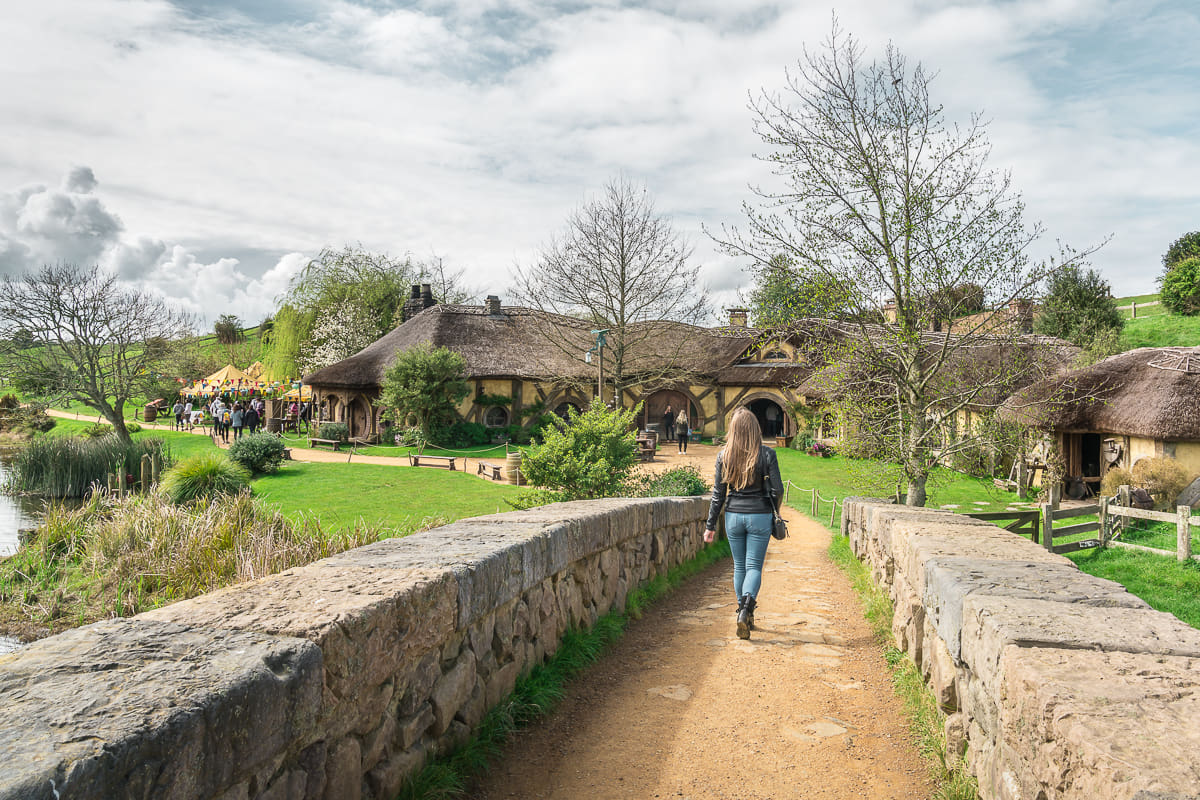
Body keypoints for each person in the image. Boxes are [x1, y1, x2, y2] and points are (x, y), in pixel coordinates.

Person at [703, 407, 784, 640]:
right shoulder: (767, 454)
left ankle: (742, 612)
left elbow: (718, 494)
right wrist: (774, 512)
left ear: (733, 430)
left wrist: (710, 526)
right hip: (759, 515)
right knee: (754, 567)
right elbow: (777, 489)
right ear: (755, 429)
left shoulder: (723, 455)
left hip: (733, 516)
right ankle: (746, 610)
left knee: (739, 566)